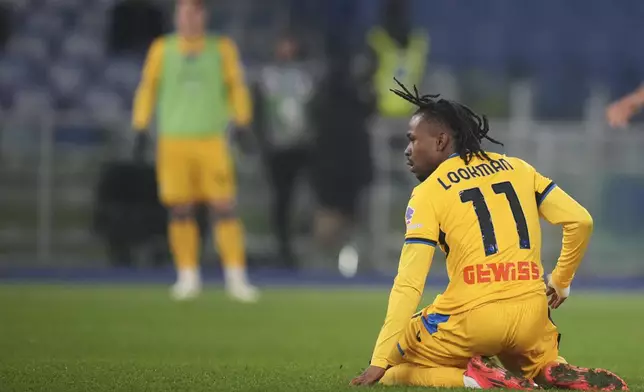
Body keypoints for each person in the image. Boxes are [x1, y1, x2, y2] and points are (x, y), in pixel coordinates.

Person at [351, 79, 628, 390]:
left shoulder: (427, 192)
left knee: (397, 361)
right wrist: (560, 282)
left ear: (441, 141)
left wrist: (380, 359)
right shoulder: (518, 168)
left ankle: (473, 379)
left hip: (473, 320)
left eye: (413, 140)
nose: (407, 150)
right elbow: (581, 220)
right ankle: (547, 369)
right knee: (531, 355)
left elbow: (409, 282)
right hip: (532, 316)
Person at [132, 0, 259, 302]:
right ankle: (187, 276)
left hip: (211, 141)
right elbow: (148, 88)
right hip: (173, 141)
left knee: (224, 206)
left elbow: (236, 86)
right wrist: (139, 125)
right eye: (183, 12)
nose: (188, 18)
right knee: (180, 208)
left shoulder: (221, 48)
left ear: (204, 16)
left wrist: (242, 122)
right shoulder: (162, 49)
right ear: (177, 16)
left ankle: (236, 278)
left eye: (194, 12)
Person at [252, 33, 315, 268]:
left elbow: (313, 111)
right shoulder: (267, 77)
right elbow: (258, 111)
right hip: (276, 149)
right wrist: (261, 141)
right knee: (282, 199)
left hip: (300, 147)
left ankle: (303, 244)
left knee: (303, 197)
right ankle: (284, 247)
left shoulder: (304, 76)